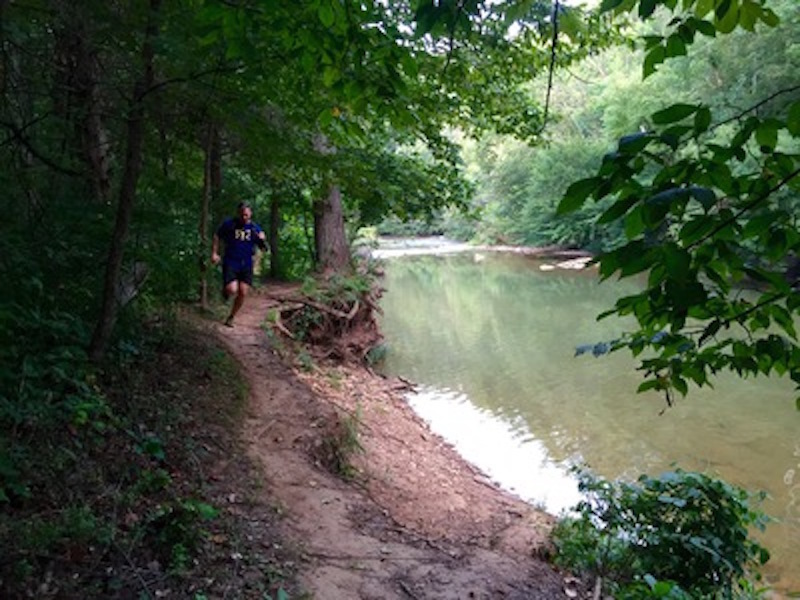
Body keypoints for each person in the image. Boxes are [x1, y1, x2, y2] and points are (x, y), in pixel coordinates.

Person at [211, 201, 267, 327]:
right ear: (238, 213)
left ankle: (231, 317)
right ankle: (225, 292)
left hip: (246, 264)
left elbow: (263, 248)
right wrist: (214, 253)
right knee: (232, 289)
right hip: (231, 261)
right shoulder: (229, 224)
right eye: (242, 214)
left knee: (243, 292)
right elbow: (217, 235)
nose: (244, 217)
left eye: (246, 215)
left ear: (250, 214)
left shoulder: (254, 228)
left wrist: (263, 239)